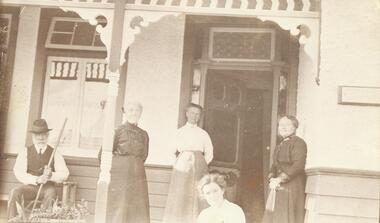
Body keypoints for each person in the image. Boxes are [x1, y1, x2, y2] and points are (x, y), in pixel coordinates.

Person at [8, 119, 69, 220]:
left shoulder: (55, 153)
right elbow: (19, 172)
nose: (41, 138)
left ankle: (43, 220)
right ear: (32, 136)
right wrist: (36, 180)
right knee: (14, 192)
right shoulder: (25, 151)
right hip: (30, 188)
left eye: (43, 134)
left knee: (51, 194)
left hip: (47, 188)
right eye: (37, 135)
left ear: (48, 135)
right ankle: (13, 221)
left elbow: (65, 174)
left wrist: (51, 175)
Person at [163, 103, 213, 223]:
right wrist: (178, 164)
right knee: (181, 194)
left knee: (198, 194)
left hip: (199, 167)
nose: (194, 116)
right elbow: (170, 151)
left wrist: (201, 163)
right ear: (186, 114)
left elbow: (209, 153)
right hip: (182, 167)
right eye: (192, 113)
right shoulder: (179, 132)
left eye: (197, 114)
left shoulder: (203, 134)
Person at [106, 101, 150, 223]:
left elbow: (144, 155)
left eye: (137, 110)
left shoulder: (144, 134)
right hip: (120, 174)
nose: (133, 113)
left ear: (140, 113)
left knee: (138, 206)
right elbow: (103, 154)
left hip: (138, 174)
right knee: (120, 206)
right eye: (130, 110)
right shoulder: (117, 131)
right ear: (124, 112)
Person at [262, 115, 307, 223]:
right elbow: (274, 166)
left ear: (295, 127)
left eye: (287, 124)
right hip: (279, 185)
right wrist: (272, 178)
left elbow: (298, 165)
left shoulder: (299, 143)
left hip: (292, 185)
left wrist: (280, 179)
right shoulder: (280, 145)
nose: (283, 127)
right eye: (281, 125)